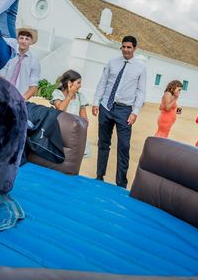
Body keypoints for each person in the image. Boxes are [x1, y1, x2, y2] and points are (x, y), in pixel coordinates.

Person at [91, 36, 147, 188]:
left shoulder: (141, 67)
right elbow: (103, 82)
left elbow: (141, 92)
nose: (126, 50)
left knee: (124, 146)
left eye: (129, 47)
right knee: (103, 143)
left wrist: (135, 112)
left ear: (134, 48)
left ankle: (121, 183)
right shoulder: (112, 63)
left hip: (125, 110)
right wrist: (96, 102)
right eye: (123, 47)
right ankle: (99, 176)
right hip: (106, 107)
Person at [50, 70, 91, 157]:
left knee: (71, 159)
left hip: (74, 133)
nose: (80, 86)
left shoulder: (80, 97)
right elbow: (60, 109)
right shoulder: (58, 93)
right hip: (59, 130)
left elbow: (84, 120)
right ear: (70, 83)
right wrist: (70, 95)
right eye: (78, 83)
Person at [0, 27, 41, 100]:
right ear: (17, 40)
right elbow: (1, 75)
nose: (23, 41)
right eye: (21, 38)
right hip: (2, 93)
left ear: (31, 42)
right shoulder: (9, 54)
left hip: (20, 97)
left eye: (27, 39)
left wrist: (22, 99)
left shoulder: (34, 61)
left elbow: (34, 86)